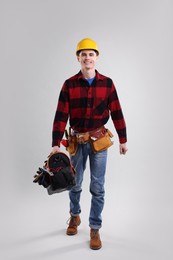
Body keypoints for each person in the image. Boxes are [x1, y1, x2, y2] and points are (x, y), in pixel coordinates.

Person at [51, 38, 128, 250]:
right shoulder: (69, 84)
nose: (87, 58)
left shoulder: (108, 83)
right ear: (78, 58)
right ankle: (74, 217)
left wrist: (123, 139)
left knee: (98, 186)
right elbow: (61, 114)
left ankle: (95, 228)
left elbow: (117, 112)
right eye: (83, 54)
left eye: (91, 54)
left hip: (99, 142)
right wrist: (56, 142)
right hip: (76, 141)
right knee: (74, 183)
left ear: (97, 57)